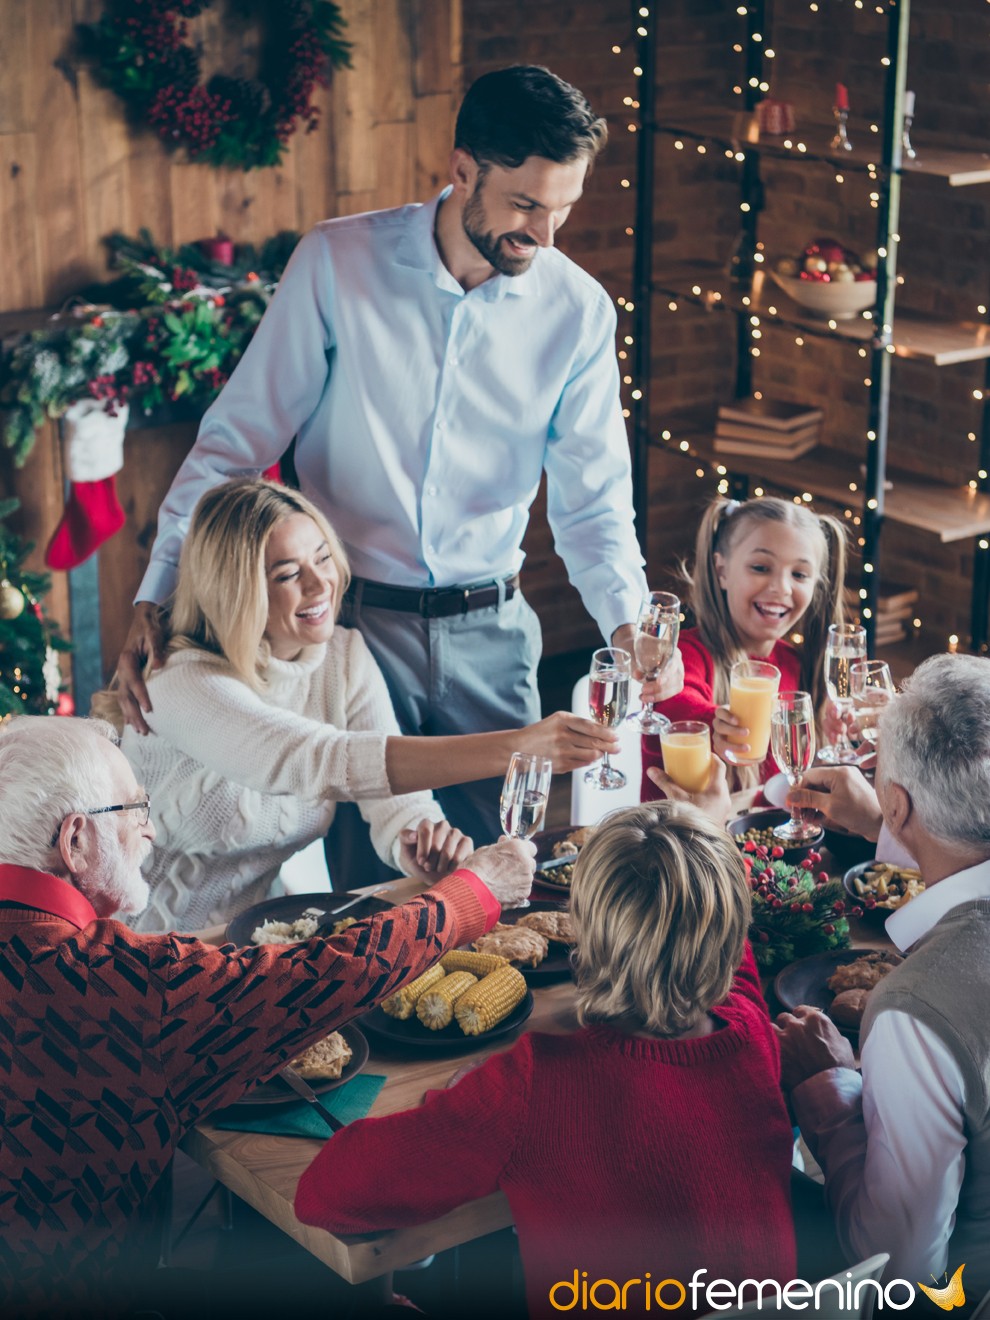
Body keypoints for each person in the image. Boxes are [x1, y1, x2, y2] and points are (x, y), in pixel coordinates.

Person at [111, 64, 679, 845]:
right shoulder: (337, 263)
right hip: (346, 636)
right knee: (370, 887)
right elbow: (235, 445)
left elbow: (595, 507)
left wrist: (626, 624)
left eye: (563, 209)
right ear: (462, 171)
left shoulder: (577, 312)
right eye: (525, 205)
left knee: (499, 869)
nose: (545, 235)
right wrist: (159, 590)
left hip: (492, 635)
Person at [0, 714, 533, 1314]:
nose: (151, 833)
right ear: (74, 841)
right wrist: (477, 889)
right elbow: (325, 976)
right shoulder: (115, 984)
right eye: (134, 811)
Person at [294, 800, 796, 1318]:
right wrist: (703, 836)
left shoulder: (535, 1086)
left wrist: (468, 1100)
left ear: (584, 937)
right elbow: (731, 955)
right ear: (731, 934)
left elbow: (326, 1195)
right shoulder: (753, 1032)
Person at [94, 478, 614, 933]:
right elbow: (317, 759)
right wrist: (518, 747)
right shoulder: (177, 680)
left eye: (322, 558)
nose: (320, 584)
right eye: (286, 574)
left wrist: (416, 844)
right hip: (131, 941)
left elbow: (397, 805)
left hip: (253, 941)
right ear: (236, 590)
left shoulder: (344, 658)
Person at [775, 653, 990, 1300]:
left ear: (895, 802)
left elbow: (896, 1267)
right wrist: (887, 826)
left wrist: (830, 1091)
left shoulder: (910, 1014)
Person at [641, 495, 847, 797]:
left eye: (799, 574)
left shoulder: (798, 666)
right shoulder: (683, 655)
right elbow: (674, 703)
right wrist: (715, 724)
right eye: (761, 567)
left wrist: (832, 739)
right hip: (680, 841)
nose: (781, 587)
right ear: (722, 571)